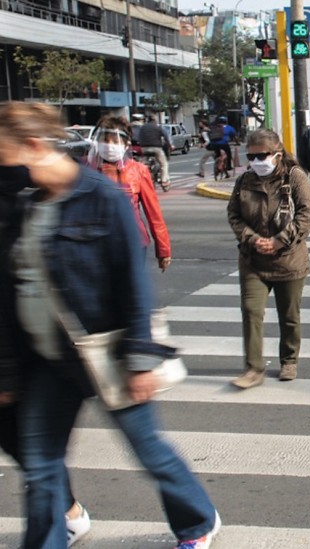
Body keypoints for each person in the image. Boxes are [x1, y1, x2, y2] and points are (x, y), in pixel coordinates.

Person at [0, 101, 220, 549]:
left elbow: (133, 285)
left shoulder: (101, 198)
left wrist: (140, 360)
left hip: (106, 352)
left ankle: (198, 521)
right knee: (41, 469)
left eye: (4, 154)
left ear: (33, 146)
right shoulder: (26, 204)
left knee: (149, 451)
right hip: (49, 359)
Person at [0, 153, 91, 547]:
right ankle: (66, 514)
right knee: (34, 454)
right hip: (26, 349)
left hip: (35, 351)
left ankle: (64, 517)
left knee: (36, 455)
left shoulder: (30, 186)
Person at [226, 129, 310, 389]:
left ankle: (289, 360)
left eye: (262, 155)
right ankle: (253, 368)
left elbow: (308, 214)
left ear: (277, 153)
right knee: (251, 312)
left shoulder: (295, 177)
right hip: (253, 261)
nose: (257, 161)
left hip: (289, 261)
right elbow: (234, 214)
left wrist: (279, 240)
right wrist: (252, 239)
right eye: (251, 156)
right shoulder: (244, 181)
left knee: (289, 315)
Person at [89, 116, 172, 272]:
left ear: (126, 144)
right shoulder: (85, 169)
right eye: (105, 141)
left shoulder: (138, 171)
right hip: (95, 246)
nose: (110, 146)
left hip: (132, 243)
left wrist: (163, 250)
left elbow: (154, 214)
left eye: (115, 142)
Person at [136, 115, 173, 191]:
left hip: (144, 148)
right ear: (155, 120)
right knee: (164, 164)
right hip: (156, 148)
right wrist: (170, 145)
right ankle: (164, 181)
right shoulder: (158, 127)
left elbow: (138, 137)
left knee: (142, 164)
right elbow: (166, 136)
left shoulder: (142, 127)